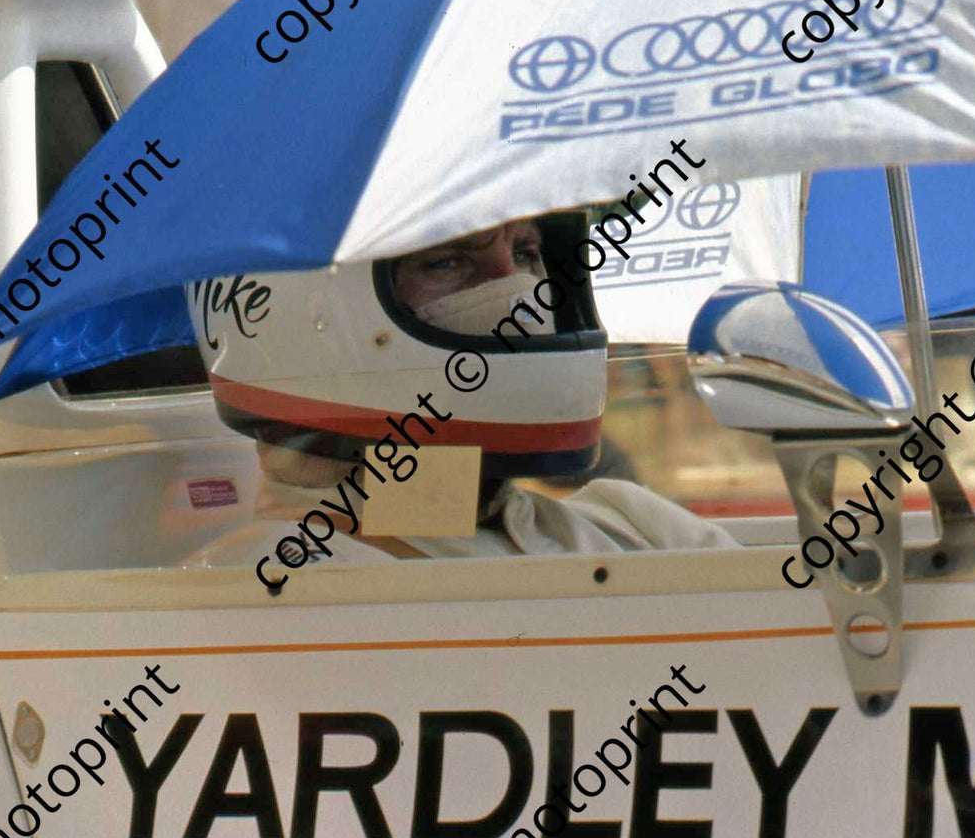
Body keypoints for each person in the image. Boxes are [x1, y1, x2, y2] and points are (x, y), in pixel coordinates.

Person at [182, 209, 738, 572]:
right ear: (304, 319)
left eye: (525, 254)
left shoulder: (635, 523)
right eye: (447, 260)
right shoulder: (269, 586)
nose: (524, 295)